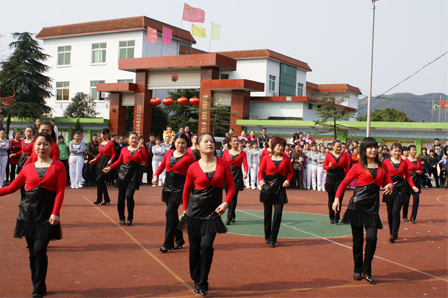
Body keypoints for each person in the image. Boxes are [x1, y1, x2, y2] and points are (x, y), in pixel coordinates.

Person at [0, 132, 66, 297]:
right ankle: (38, 287)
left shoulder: (58, 166)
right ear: (33, 146)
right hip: (27, 215)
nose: (41, 147)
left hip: (46, 215)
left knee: (39, 249)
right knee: (32, 253)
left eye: (45, 144)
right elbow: (11, 188)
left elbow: (60, 192)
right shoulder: (27, 168)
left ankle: (39, 284)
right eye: (38, 144)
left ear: (51, 147)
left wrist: (56, 212)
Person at [178, 133, 235, 296]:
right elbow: (187, 189)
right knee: (195, 248)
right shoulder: (193, 167)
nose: (210, 143)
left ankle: (203, 281)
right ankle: (196, 278)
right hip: (194, 212)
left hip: (212, 213)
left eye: (211, 141)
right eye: (206, 141)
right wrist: (184, 210)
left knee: (206, 246)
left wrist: (226, 203)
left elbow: (231, 187)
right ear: (198, 146)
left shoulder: (223, 164)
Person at [332, 137, 393, 283]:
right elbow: (344, 182)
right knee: (358, 241)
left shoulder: (382, 167)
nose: (373, 150)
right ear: (363, 150)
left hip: (372, 209)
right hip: (356, 207)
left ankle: (367, 268)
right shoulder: (357, 167)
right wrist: (336, 199)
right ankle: (358, 268)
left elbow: (388, 181)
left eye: (374, 147)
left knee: (372, 238)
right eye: (369, 147)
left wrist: (391, 185)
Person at [153, 135, 194, 252]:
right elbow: (161, 167)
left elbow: (191, 175)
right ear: (174, 142)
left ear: (186, 144)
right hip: (167, 188)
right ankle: (179, 239)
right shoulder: (168, 153)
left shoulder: (189, 157)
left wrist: (191, 191)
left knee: (169, 213)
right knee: (173, 217)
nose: (180, 145)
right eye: (178, 142)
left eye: (183, 143)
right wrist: (155, 175)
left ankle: (168, 243)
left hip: (179, 189)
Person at [103, 132, 147, 226]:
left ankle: (130, 218)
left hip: (134, 176)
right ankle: (121, 217)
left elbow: (144, 160)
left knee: (130, 196)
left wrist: (139, 151)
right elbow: (119, 161)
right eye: (132, 138)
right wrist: (109, 167)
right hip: (123, 175)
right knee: (121, 198)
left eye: (135, 138)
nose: (134, 140)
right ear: (128, 139)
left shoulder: (141, 148)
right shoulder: (124, 149)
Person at [258, 136, 293, 247]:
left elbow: (290, 172)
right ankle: (267, 235)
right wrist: (260, 181)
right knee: (267, 213)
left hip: (280, 189)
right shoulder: (266, 158)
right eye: (278, 145)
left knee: (278, 213)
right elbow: (260, 172)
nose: (280, 147)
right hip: (267, 188)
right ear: (273, 146)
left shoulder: (286, 158)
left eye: (282, 145)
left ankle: (273, 238)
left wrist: (287, 180)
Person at [382, 143, 418, 243]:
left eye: (399, 151)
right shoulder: (385, 162)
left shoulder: (404, 163)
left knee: (395, 212)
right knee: (390, 213)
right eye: (395, 150)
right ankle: (392, 231)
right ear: (391, 151)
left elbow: (408, 176)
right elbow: (381, 175)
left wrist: (413, 186)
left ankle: (394, 234)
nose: (397, 153)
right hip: (389, 190)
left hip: (401, 189)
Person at [222, 136, 248, 225]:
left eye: (237, 141)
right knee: (228, 196)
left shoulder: (243, 153)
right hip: (227, 176)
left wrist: (245, 172)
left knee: (234, 196)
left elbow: (245, 164)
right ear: (230, 143)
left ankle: (229, 217)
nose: (236, 143)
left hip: (238, 176)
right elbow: (222, 164)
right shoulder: (225, 153)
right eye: (234, 141)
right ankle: (232, 214)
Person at [324, 140, 350, 224]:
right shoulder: (328, 155)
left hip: (340, 179)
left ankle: (337, 216)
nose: (339, 148)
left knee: (339, 199)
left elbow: (347, 169)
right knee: (331, 199)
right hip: (331, 179)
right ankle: (331, 216)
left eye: (340, 146)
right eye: (337, 146)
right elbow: (324, 166)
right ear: (333, 146)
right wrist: (329, 166)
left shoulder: (344, 156)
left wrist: (348, 180)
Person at [89, 128, 115, 205]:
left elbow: (113, 154)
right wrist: (95, 159)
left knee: (99, 179)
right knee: (101, 181)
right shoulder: (101, 143)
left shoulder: (110, 143)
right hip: (100, 162)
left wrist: (111, 160)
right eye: (101, 134)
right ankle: (105, 198)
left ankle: (99, 199)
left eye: (104, 134)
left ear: (107, 134)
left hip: (106, 162)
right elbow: (101, 153)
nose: (102, 135)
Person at [10, 126, 35, 200]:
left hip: (30, 161)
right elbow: (23, 151)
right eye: (27, 131)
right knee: (21, 180)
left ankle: (29, 199)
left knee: (30, 180)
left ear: (33, 133)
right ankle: (22, 198)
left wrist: (30, 157)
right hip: (22, 161)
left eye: (30, 131)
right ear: (24, 132)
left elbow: (34, 152)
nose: (28, 133)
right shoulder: (23, 141)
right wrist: (15, 154)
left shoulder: (34, 141)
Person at [403, 145, 422, 223]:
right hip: (407, 182)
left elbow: (421, 169)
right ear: (409, 151)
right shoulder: (405, 161)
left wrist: (420, 172)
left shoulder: (418, 159)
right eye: (413, 150)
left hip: (417, 181)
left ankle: (413, 216)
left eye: (415, 150)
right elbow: (403, 171)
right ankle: (404, 215)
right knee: (406, 200)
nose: (415, 151)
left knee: (416, 199)